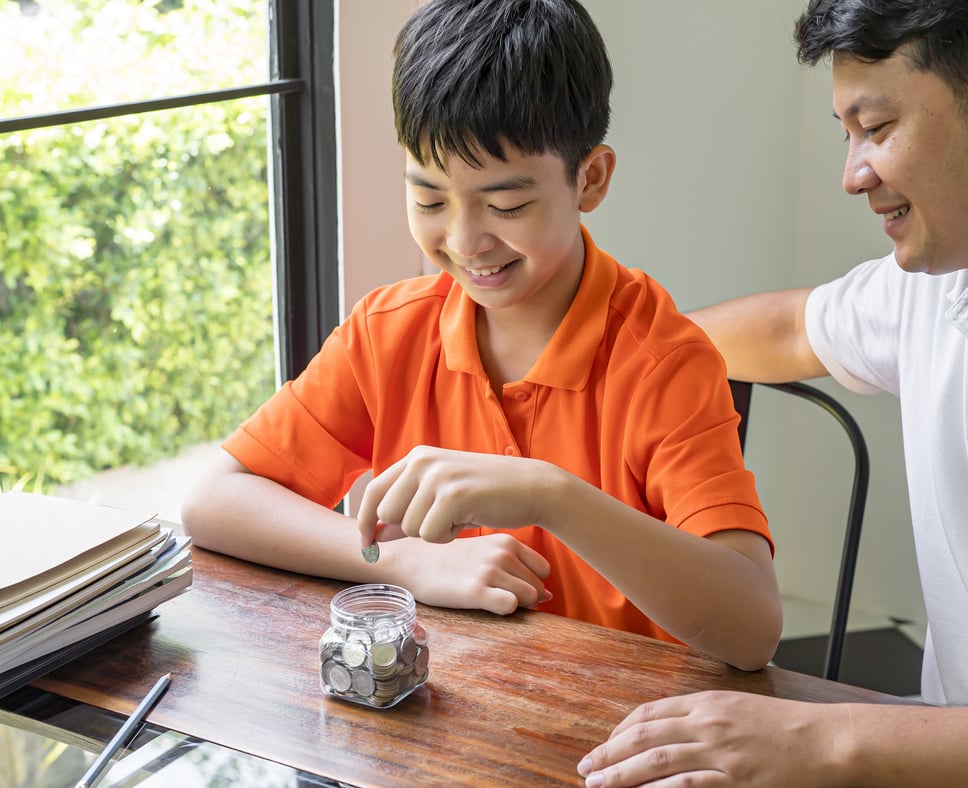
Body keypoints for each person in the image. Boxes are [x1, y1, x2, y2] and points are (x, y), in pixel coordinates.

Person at [577, 0, 968, 784]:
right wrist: (585, 363)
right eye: (844, 134)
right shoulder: (947, 282)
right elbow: (792, 330)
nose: (851, 175)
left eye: (876, 128)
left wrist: (827, 741)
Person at [180, 0, 781, 672]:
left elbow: (750, 629)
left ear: (591, 178)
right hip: (441, 721)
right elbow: (215, 502)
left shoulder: (663, 364)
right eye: (429, 199)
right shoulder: (390, 332)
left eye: (506, 205)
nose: (464, 242)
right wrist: (406, 563)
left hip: (611, 731)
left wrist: (548, 495)